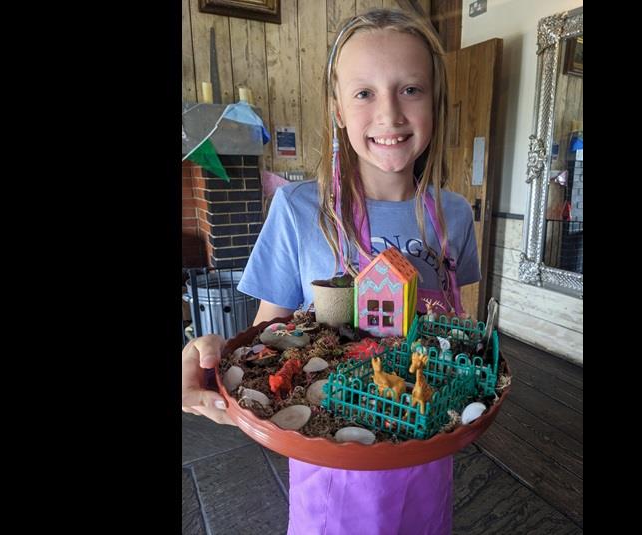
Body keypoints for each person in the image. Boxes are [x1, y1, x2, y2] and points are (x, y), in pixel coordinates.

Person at [182, 8, 480, 534]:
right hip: (333, 464)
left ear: (435, 101)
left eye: (411, 88)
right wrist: (210, 363)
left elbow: (456, 326)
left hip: (425, 438)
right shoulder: (299, 208)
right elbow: (267, 340)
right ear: (337, 107)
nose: (389, 114)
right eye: (364, 92)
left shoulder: (453, 211)